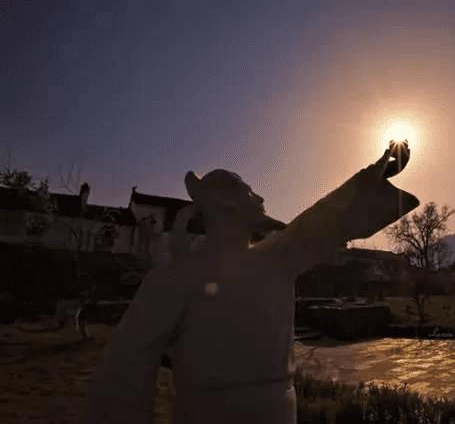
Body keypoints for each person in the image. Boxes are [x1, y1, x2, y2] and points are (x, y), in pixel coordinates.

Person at [84, 141, 419, 423]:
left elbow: (322, 219)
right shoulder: (176, 277)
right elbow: (125, 372)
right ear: (224, 206)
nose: (260, 199)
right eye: (248, 192)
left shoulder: (276, 258)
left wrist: (371, 176)